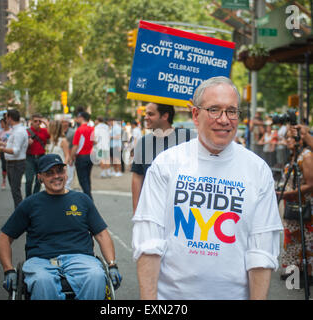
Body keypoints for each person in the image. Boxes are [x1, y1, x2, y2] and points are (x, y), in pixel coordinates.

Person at [132, 76, 283, 300]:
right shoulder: (165, 165)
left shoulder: (258, 170)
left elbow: (261, 252)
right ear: (195, 114)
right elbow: (148, 243)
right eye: (214, 110)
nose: (224, 119)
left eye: (232, 111)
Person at [0, 154, 122, 300]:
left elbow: (101, 234)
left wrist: (112, 265)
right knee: (42, 281)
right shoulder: (30, 204)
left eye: (60, 171)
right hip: (41, 261)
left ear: (66, 172)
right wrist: (8, 269)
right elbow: (4, 237)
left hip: (80, 258)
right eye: (49, 173)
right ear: (40, 177)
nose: (56, 176)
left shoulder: (82, 200)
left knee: (96, 276)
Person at [131, 102, 196, 213]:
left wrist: (198, 113)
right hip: (153, 210)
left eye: (150, 114)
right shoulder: (143, 142)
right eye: (146, 114)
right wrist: (137, 211)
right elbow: (137, 176)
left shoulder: (188, 137)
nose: (146, 117)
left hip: (183, 210)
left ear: (165, 116)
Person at [276, 130, 313, 283]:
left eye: (293, 137)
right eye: (287, 137)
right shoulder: (293, 156)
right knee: (292, 239)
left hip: (304, 204)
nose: (289, 140)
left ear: (302, 139)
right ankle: (294, 274)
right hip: (292, 203)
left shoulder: (306, 156)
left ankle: (308, 275)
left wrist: (287, 193)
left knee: (306, 240)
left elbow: (311, 184)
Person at [0, 109, 28, 208]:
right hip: (13, 163)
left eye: (6, 118)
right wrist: (1, 144)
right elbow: (13, 145)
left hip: (16, 163)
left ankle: (20, 214)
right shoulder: (17, 130)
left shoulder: (18, 131)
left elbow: (15, 150)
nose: (6, 121)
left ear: (10, 118)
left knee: (16, 191)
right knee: (15, 191)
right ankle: (19, 213)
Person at [71, 112, 94, 199]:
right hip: (90, 156)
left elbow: (75, 146)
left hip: (81, 157)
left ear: (81, 118)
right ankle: (89, 196)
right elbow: (95, 142)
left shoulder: (79, 130)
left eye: (77, 117)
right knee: (87, 178)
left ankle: (89, 200)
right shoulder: (92, 129)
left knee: (83, 180)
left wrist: (71, 157)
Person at [25, 114, 50, 197]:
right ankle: (28, 197)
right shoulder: (27, 131)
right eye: (35, 121)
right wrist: (27, 144)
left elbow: (52, 133)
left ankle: (35, 196)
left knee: (39, 179)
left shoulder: (44, 131)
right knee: (29, 180)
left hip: (41, 157)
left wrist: (46, 123)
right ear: (31, 122)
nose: (37, 123)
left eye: (39, 121)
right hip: (29, 157)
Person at [61, 115, 76, 189]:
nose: (64, 123)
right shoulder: (59, 132)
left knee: (69, 175)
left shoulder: (73, 132)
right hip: (61, 155)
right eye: (63, 122)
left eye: (66, 122)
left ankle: (67, 189)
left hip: (69, 155)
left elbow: (74, 145)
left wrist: (72, 157)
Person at [0, 118, 12, 189]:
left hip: (10, 151)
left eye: (2, 123)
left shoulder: (11, 131)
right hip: (3, 151)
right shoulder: (0, 131)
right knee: (4, 167)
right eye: (0, 123)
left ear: (6, 123)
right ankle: (3, 181)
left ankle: (12, 182)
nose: (1, 125)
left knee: (11, 167)